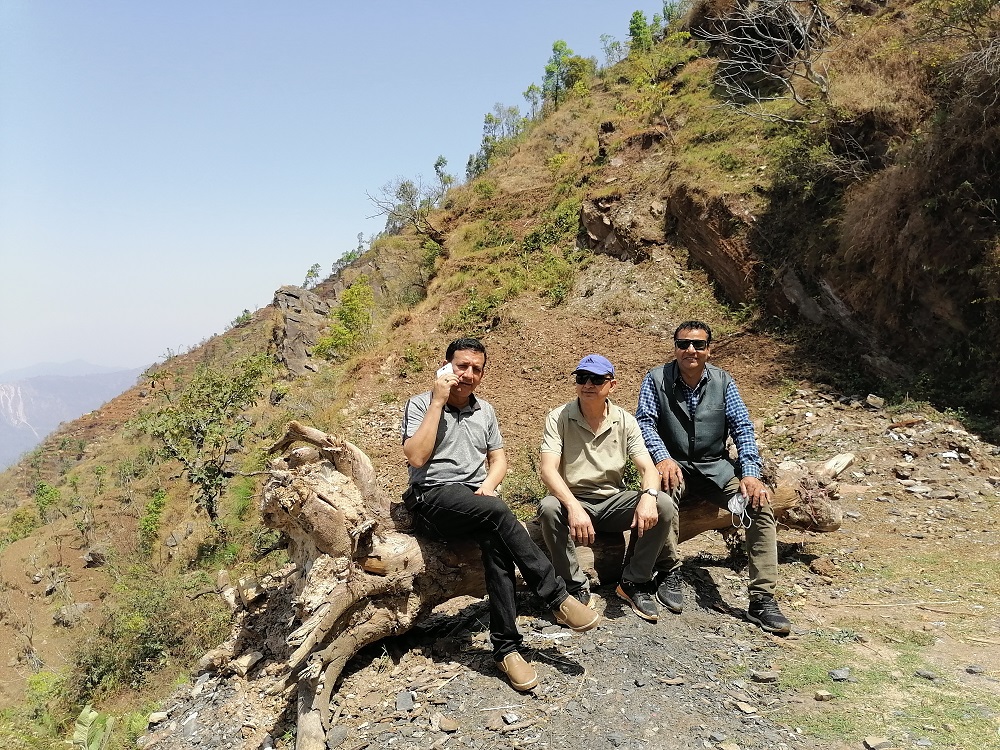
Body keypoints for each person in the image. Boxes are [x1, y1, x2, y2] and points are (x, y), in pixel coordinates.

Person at [401, 337, 600, 692]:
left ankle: (506, 650)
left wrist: (489, 486)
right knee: (496, 512)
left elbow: (498, 459)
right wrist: (438, 402)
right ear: (446, 366)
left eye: (476, 369)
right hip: (431, 499)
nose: (468, 374)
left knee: (497, 545)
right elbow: (416, 457)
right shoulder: (420, 404)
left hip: (476, 503)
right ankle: (556, 596)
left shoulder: (485, 411)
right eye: (461, 366)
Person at [635, 321, 791, 634]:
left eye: (698, 344)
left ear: (709, 349)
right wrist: (662, 458)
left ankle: (762, 598)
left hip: (715, 468)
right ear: (675, 347)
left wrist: (750, 474)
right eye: (683, 344)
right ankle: (668, 570)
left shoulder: (723, 381)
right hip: (674, 466)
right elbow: (645, 423)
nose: (691, 350)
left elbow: (742, 428)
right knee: (662, 497)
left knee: (757, 505)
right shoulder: (656, 379)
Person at [537, 354, 677, 622]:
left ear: (612, 385)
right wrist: (574, 507)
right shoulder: (559, 417)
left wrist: (649, 497)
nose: (588, 384)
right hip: (574, 500)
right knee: (548, 507)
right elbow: (548, 470)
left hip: (614, 501)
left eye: (597, 379)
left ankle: (634, 581)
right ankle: (573, 587)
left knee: (663, 503)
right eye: (582, 378)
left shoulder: (625, 421)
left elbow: (648, 469)